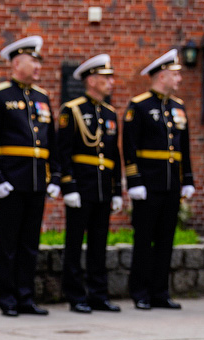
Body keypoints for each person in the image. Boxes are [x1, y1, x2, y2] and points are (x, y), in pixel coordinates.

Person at [0, 36, 60, 317]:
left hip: (37, 180)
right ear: (17, 63)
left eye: (39, 61)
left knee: (30, 243)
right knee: (9, 244)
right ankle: (7, 298)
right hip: (11, 180)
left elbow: (51, 141)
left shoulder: (42, 97)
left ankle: (26, 297)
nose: (38, 66)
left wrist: (55, 177)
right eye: (33, 60)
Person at [123, 49, 195, 310]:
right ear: (161, 75)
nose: (178, 79)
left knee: (166, 239)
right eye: (175, 74)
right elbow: (129, 147)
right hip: (148, 184)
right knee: (144, 239)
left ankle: (160, 292)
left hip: (170, 184)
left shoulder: (178, 107)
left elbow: (183, 147)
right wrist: (134, 181)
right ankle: (140, 292)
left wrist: (187, 178)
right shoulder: (140, 105)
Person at [58, 54, 123, 313]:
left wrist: (117, 189)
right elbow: (63, 151)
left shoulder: (109, 113)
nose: (111, 82)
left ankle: (98, 294)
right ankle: (75, 295)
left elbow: (113, 155)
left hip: (102, 187)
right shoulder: (72, 110)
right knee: (74, 243)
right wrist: (67, 184)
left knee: (99, 243)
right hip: (81, 186)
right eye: (106, 78)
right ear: (92, 80)